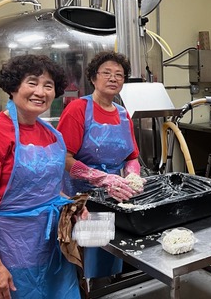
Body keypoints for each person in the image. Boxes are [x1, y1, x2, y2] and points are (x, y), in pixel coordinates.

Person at [0, 55, 80, 298]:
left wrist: (72, 207)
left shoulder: (52, 135)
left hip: (51, 248)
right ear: (14, 86)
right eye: (32, 82)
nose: (40, 92)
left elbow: (47, 189)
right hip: (12, 250)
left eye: (48, 86)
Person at [57, 51, 143, 280]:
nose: (113, 78)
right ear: (93, 78)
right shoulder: (78, 109)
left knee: (113, 251)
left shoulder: (124, 114)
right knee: (91, 257)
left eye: (119, 75)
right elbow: (64, 158)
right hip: (85, 200)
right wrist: (101, 178)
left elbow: (132, 156)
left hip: (116, 196)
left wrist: (132, 176)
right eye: (106, 73)